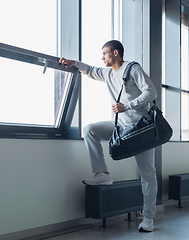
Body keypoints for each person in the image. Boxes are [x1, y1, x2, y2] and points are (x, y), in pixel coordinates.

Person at [59, 40, 158, 232]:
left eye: (104, 53)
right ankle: (102, 174)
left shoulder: (132, 69)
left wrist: (127, 106)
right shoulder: (108, 73)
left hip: (140, 131)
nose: (102, 57)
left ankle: (148, 219)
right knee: (90, 130)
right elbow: (91, 70)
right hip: (120, 126)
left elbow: (151, 92)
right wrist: (74, 63)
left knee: (148, 175)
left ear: (115, 52)